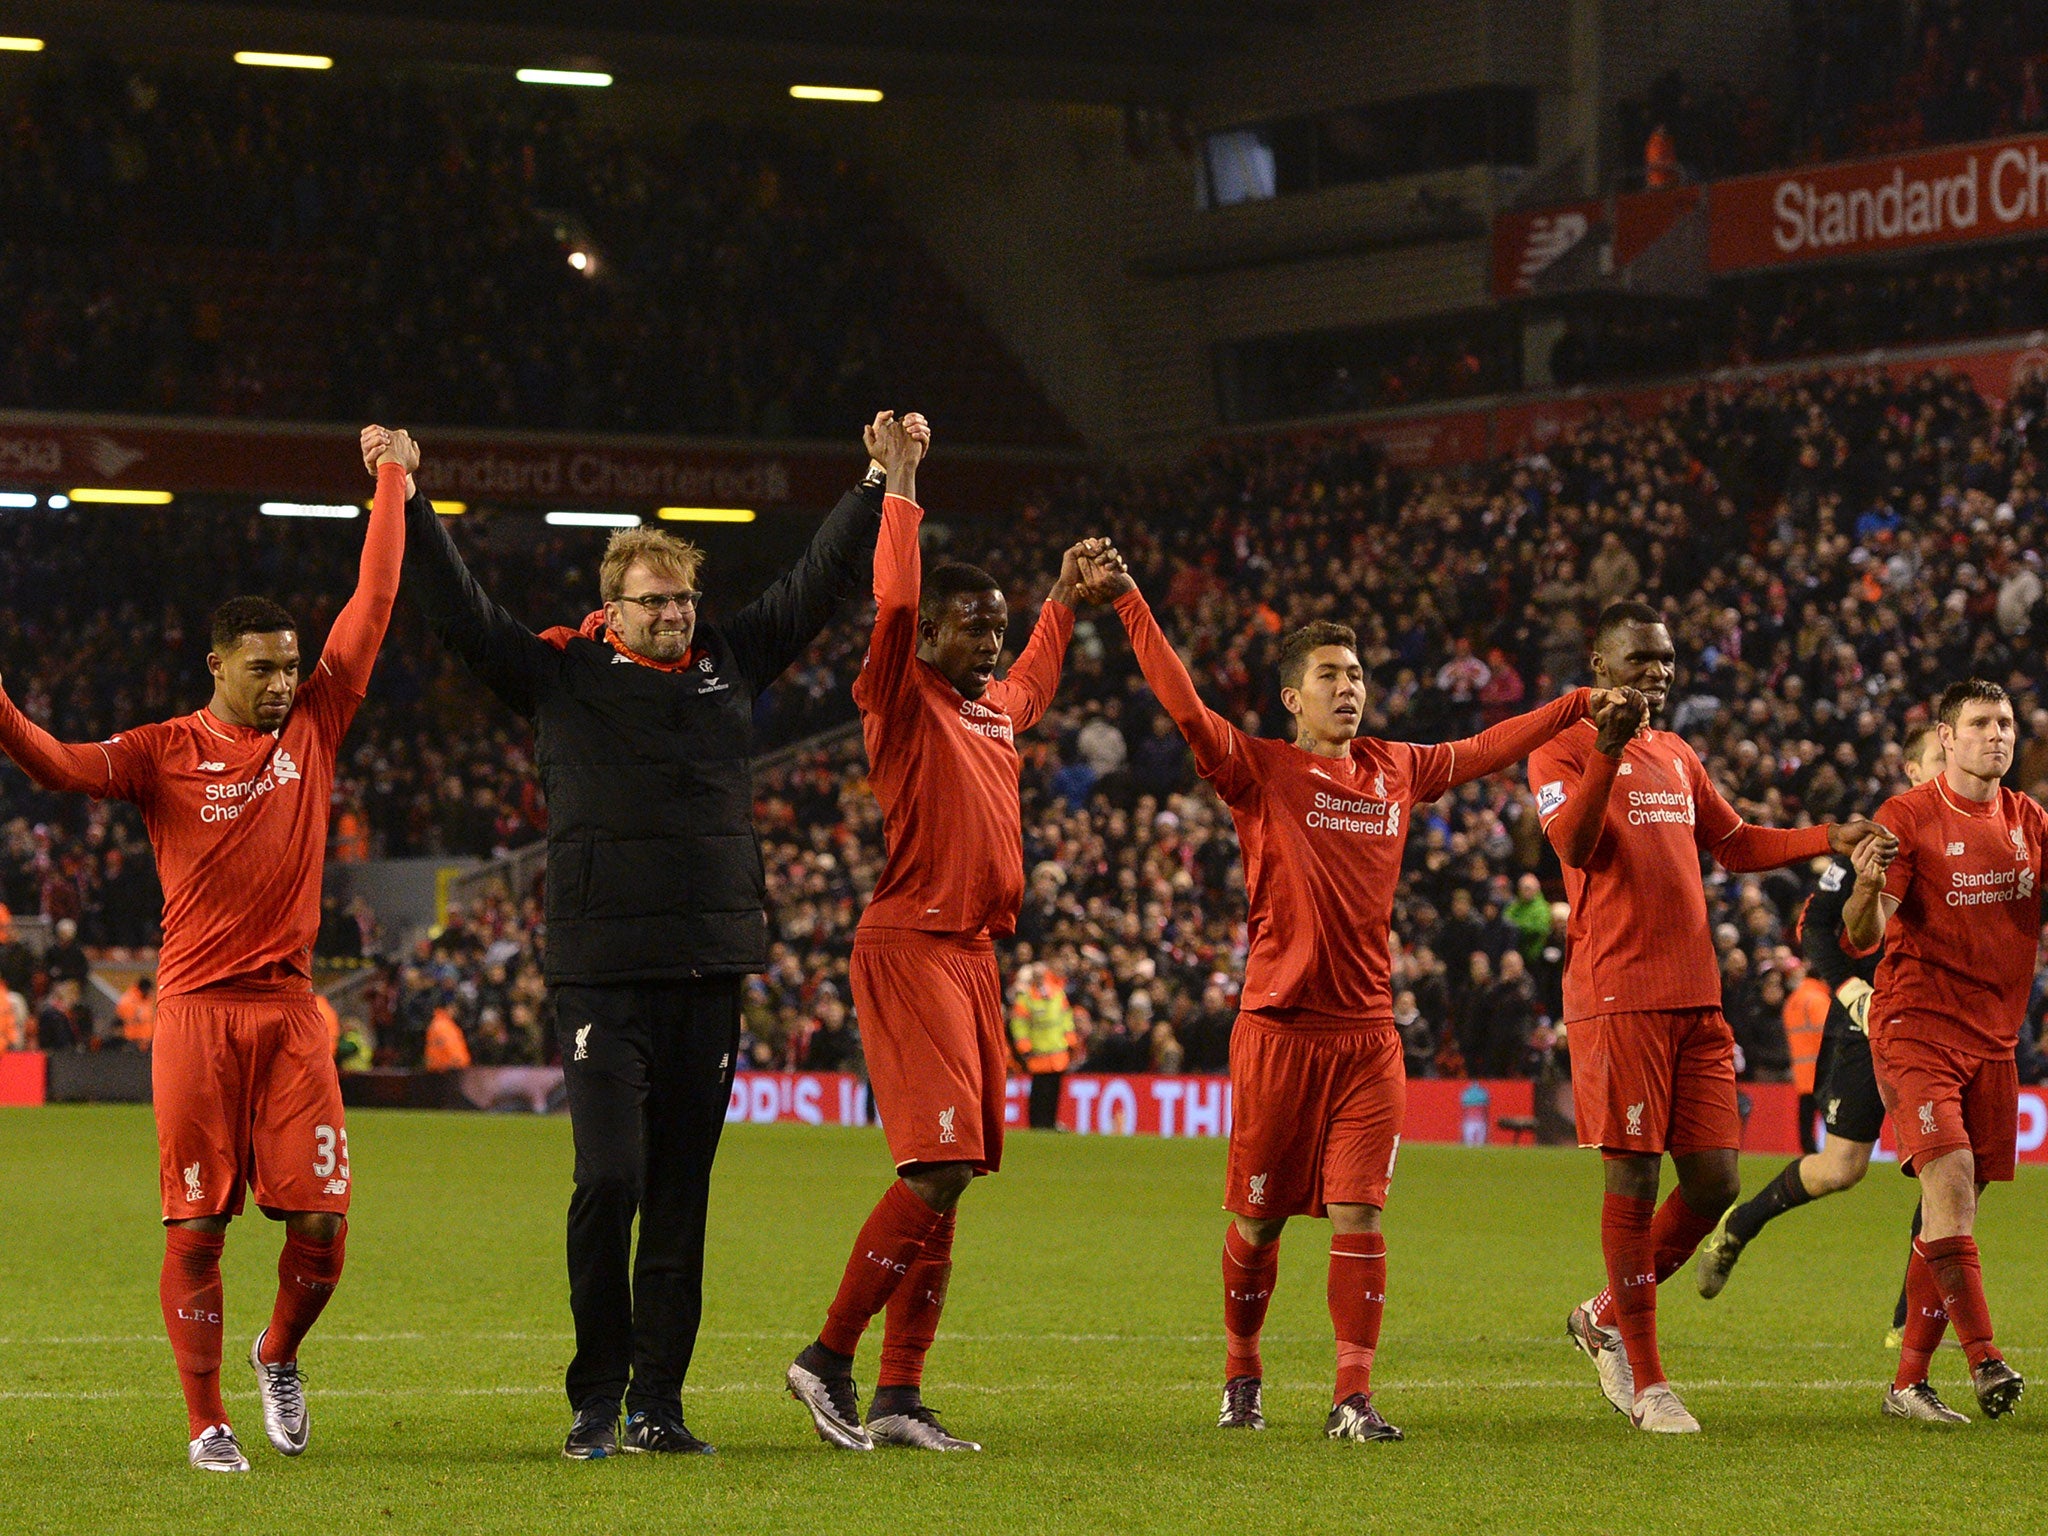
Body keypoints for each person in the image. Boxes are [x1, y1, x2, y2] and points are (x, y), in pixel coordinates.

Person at [371, 415, 892, 1460]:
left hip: (707, 973)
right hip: (601, 979)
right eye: (654, 601)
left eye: (683, 598)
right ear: (612, 607)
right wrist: (407, 498)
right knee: (608, 1179)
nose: (675, 615)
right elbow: (460, 616)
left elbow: (817, 580)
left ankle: (659, 1402)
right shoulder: (560, 674)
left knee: (680, 1197)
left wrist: (878, 480)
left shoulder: (727, 660)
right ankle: (594, 1394)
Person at [1104, 569, 1618, 1443]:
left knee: (1360, 1213)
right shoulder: (1258, 770)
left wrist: (1574, 704)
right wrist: (1127, 602)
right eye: (1331, 677)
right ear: (1292, 698)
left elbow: (1490, 746)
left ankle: (1351, 1397)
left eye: (1357, 676)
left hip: (1368, 1037)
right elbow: (1188, 706)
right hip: (1278, 1030)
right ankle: (1241, 1372)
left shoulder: (1397, 770)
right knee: (1259, 1222)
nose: (1349, 690)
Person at [0, 430, 410, 1472]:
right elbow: (51, 764)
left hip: (290, 1015)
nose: (282, 683)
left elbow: (371, 606)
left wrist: (393, 480)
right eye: (262, 668)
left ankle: (278, 1353)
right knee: (198, 1227)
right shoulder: (156, 752)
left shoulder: (315, 723)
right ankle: (205, 1421)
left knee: (319, 1226)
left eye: (288, 666)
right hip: (191, 1015)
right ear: (218, 665)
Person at [784, 414, 1119, 1454]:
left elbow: (1031, 681)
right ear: (927, 636)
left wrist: (1060, 601)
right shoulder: (898, 693)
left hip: (973, 955)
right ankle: (825, 1359)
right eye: (971, 626)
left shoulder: (989, 711)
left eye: (996, 624)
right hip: (909, 945)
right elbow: (891, 597)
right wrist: (901, 480)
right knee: (931, 1168)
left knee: (956, 1176)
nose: (988, 642)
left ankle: (898, 1396)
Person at [1534, 601, 1889, 1434]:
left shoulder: (1676, 751)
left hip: (1695, 996)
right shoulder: (1560, 747)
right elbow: (1575, 848)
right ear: (1600, 662)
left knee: (1716, 1182)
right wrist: (1607, 751)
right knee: (1632, 1175)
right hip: (1618, 995)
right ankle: (1649, 1381)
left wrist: (1827, 836)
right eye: (1640, 659)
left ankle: (1600, 1317)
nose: (1657, 671)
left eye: (1665, 659)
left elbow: (1732, 842)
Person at [1694, 723, 1946, 1330]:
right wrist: (1848, 985)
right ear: (1912, 770)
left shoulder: (1987, 835)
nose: (1950, 765)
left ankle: (1908, 1322)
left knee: (1948, 1167)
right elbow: (1815, 928)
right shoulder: (1884, 837)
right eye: (1938, 757)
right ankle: (1740, 1226)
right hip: (1873, 1018)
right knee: (1841, 1168)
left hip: (1945, 1025)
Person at [1841, 679, 2040, 1424]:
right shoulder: (1909, 817)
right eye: (1982, 723)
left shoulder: (2027, 820)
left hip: (1993, 1038)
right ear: (1946, 738)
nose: (1998, 735)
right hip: (1916, 1027)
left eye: (2008, 723)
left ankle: (1907, 1386)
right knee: (1950, 1180)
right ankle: (1986, 1360)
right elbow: (1864, 934)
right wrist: (1863, 889)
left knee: (1950, 1211)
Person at [1008, 962, 1077, 1129]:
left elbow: (1066, 1018)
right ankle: (1037, 1123)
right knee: (1039, 1090)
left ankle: (1050, 1122)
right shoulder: (1026, 998)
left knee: (1053, 1091)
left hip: (1057, 1050)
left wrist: (1070, 1040)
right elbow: (1019, 1025)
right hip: (1038, 1052)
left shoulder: (1057, 993)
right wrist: (1024, 1047)